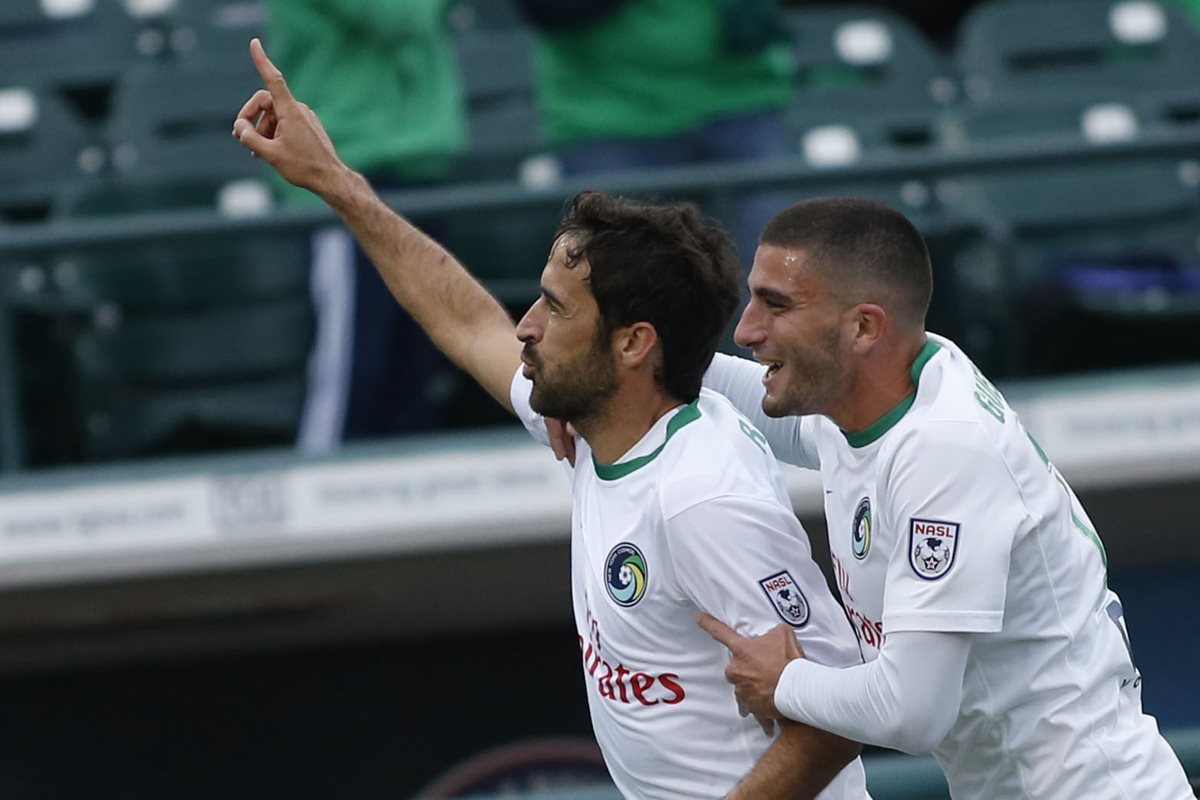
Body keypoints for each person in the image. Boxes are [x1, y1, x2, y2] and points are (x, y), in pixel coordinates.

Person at [231, 39, 870, 799]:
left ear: (633, 345)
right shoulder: (597, 420)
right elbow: (469, 323)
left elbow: (840, 715)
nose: (526, 327)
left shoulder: (702, 497)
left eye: (556, 309)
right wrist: (336, 183)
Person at [683, 198, 1193, 798]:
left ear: (864, 327)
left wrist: (785, 680)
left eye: (776, 305)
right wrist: (641, 360)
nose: (746, 330)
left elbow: (912, 710)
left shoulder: (944, 450)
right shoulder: (885, 385)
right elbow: (775, 412)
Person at [266, 0, 466, 450]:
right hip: (341, 169)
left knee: (414, 371)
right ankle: (319, 490)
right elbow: (397, 15)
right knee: (355, 371)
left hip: (422, 168)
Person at [519, 0, 797, 268]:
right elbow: (549, 8)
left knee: (778, 270)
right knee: (623, 276)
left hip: (741, 100)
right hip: (608, 115)